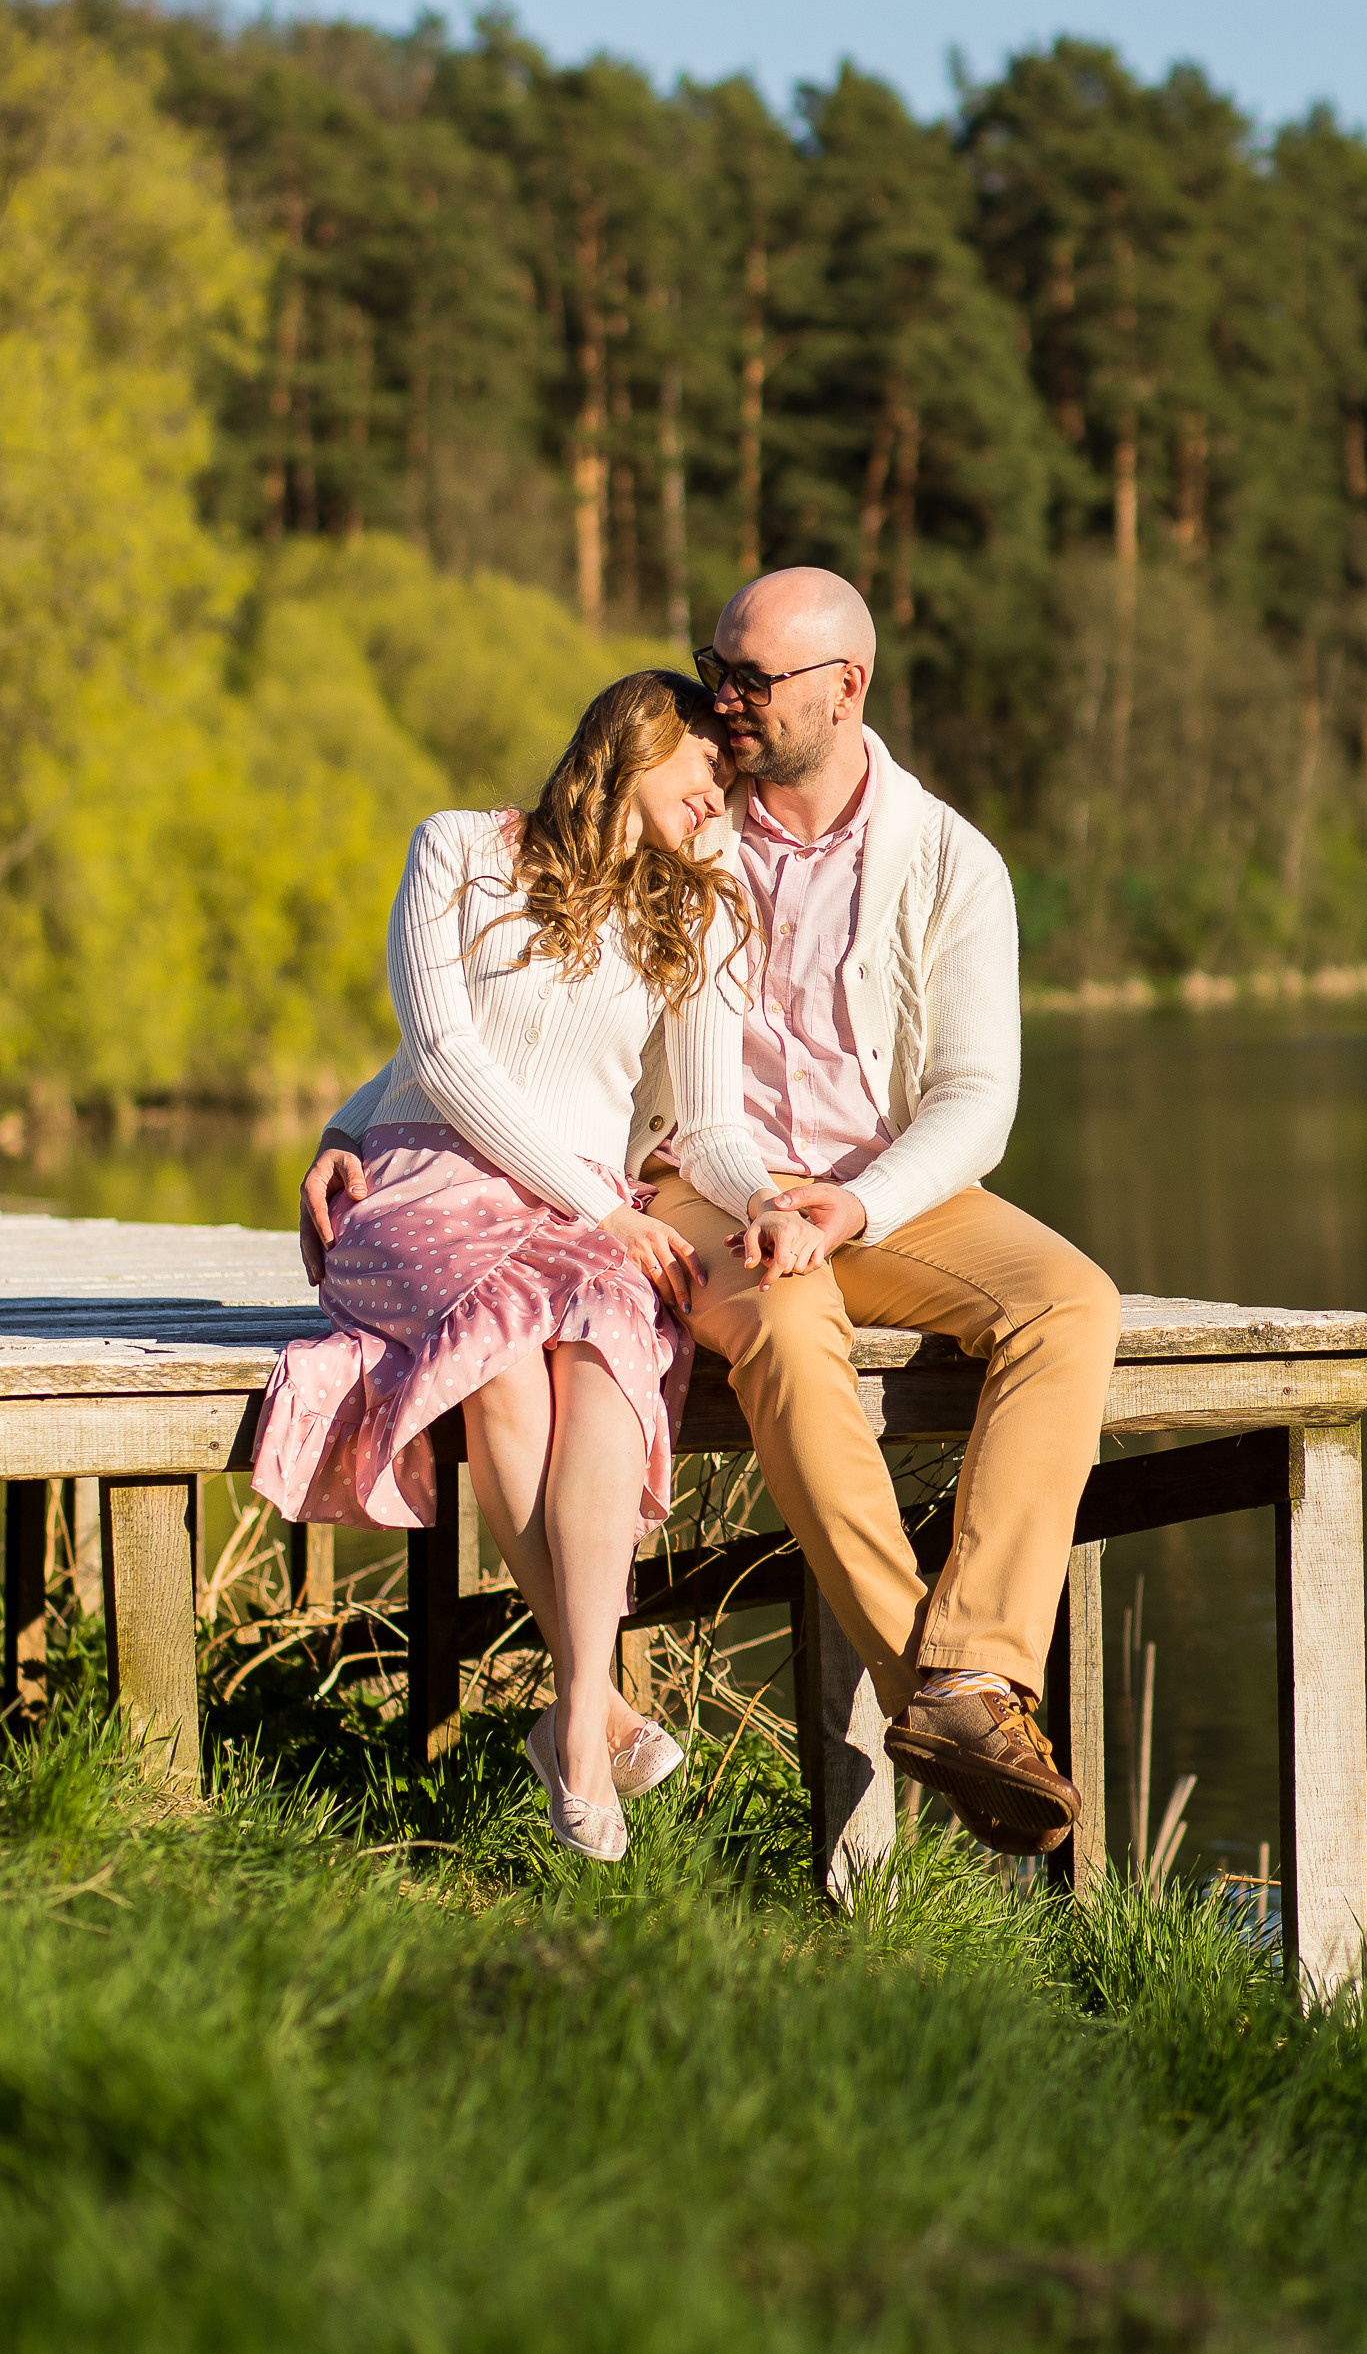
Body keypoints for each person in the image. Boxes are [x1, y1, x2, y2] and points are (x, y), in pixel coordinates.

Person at [304, 573, 1120, 1855]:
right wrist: (355, 1128)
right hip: (699, 1190)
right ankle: (936, 1702)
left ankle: (971, 1673)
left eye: (754, 680)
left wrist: (848, 1207)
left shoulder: (952, 863)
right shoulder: (684, 816)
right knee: (792, 1342)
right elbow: (505, 1014)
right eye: (717, 667)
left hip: (883, 1187)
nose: (725, 698)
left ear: (845, 688)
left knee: (1072, 1302)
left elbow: (975, 1100)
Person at [260, 672, 826, 1863]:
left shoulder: (701, 913)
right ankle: (594, 1710)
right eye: (706, 772)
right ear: (635, 743)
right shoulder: (460, 849)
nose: (725, 798)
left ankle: (570, 1723)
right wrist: (352, 1135)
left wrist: (769, 1198)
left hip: (578, 1220)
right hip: (428, 1182)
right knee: (522, 1334)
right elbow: (447, 1059)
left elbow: (713, 1125)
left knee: (608, 1339)